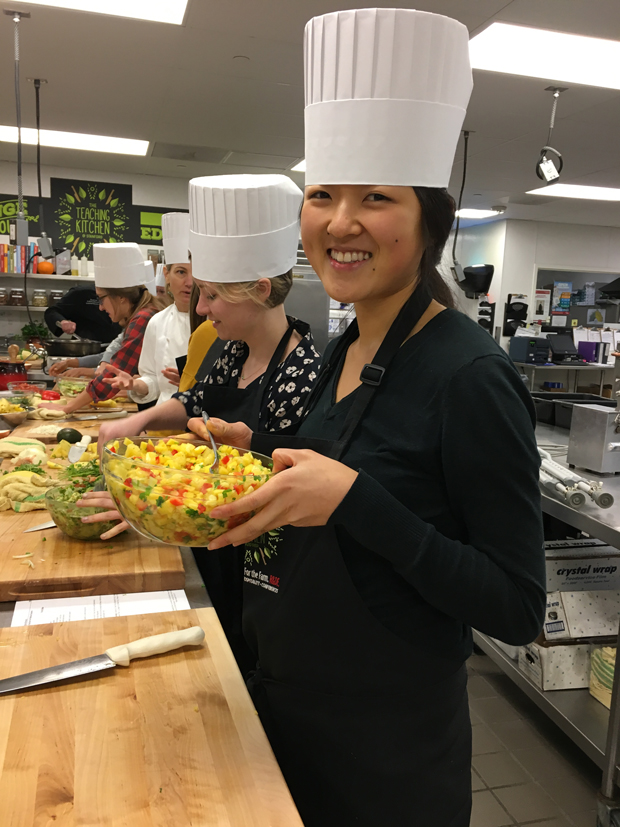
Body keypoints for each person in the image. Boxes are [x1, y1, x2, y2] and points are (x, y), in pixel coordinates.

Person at [180, 10, 546, 827]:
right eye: (323, 195)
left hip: (385, 757)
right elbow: (336, 460)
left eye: (375, 198)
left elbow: (517, 604)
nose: (340, 222)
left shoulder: (470, 377)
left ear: (427, 223)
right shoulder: (342, 344)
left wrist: (357, 502)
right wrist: (254, 447)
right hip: (289, 705)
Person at [81, 175, 321, 671]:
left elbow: (265, 485)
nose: (203, 309)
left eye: (212, 295)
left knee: (239, 656)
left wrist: (154, 502)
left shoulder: (302, 372)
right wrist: (140, 422)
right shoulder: (230, 348)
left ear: (258, 290)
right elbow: (193, 403)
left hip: (253, 557)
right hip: (206, 532)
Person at [38, 243, 162, 416]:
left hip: (159, 407)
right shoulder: (144, 314)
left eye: (102, 299)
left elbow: (111, 376)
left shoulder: (142, 319)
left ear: (120, 297)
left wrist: (67, 408)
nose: (101, 308)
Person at [107, 213, 193, 406]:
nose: (189, 283)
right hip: (164, 420)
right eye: (181, 272)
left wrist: (195, 384)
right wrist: (135, 385)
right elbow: (153, 379)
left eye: (197, 273)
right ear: (166, 274)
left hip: (204, 425)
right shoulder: (157, 322)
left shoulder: (218, 323)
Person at [44, 284, 122, 343]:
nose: (101, 308)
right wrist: (62, 321)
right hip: (84, 349)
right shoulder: (82, 293)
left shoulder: (125, 297)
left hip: (115, 348)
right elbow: (51, 312)